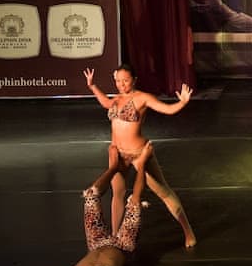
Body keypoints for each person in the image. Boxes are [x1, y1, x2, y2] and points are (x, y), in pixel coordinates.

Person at [0, 143, 161, 266]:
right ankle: (142, 163)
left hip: (97, 242)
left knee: (90, 196)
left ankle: (113, 167)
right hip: (123, 245)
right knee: (134, 203)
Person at [83, 66, 197, 249]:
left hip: (139, 153)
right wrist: (92, 86)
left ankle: (188, 231)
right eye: (118, 81)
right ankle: (115, 237)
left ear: (134, 79)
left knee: (163, 192)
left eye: (125, 80)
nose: (121, 84)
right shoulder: (117, 99)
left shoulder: (143, 98)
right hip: (118, 153)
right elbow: (105, 102)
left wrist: (182, 103)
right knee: (118, 194)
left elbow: (167, 109)